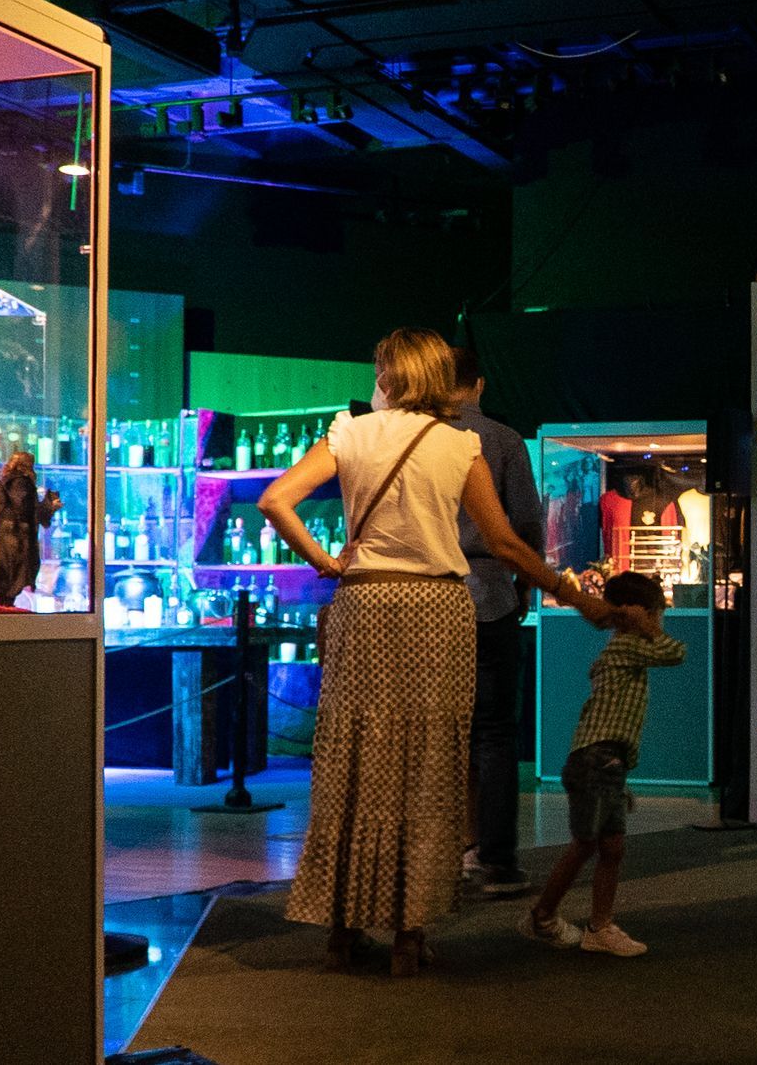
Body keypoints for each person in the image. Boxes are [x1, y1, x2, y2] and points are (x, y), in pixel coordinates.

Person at [260, 327, 641, 977]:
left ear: (391, 375)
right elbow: (510, 545)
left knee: (354, 759)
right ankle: (410, 935)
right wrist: (575, 596)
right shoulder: (460, 445)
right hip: (438, 609)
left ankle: (342, 932)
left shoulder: (348, 435)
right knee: (430, 766)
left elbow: (276, 500)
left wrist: (326, 560)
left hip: (365, 604)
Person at [520, 571, 686, 958]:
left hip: (604, 763)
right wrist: (645, 627)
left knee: (610, 847)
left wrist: (618, 775)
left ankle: (599, 925)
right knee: (587, 844)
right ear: (638, 614)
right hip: (599, 761)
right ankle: (543, 916)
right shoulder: (627, 646)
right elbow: (675, 653)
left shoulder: (623, 650)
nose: (659, 621)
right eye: (656, 613)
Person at [447, 346, 544, 898]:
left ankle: (449, 852)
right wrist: (531, 583)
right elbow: (525, 523)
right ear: (479, 385)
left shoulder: (417, 438)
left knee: (444, 731)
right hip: (490, 593)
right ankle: (498, 861)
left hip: (429, 595)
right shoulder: (503, 440)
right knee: (494, 731)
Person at [0, 451, 60, 607]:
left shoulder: (8, 481)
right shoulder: (20, 482)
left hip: (8, 537)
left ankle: (6, 607)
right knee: (13, 578)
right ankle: (6, 608)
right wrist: (48, 506)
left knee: (8, 583)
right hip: (16, 539)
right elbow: (24, 509)